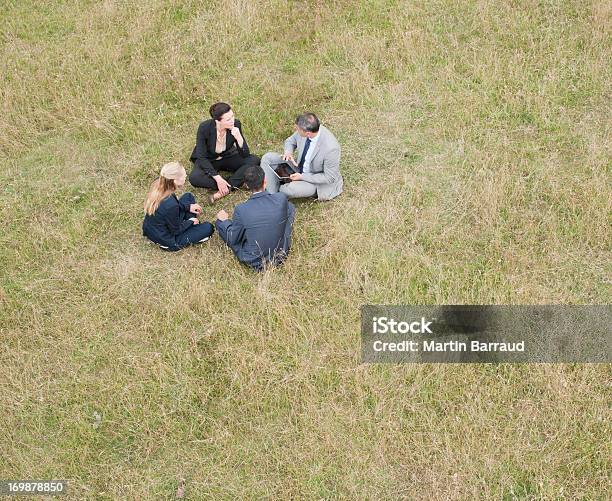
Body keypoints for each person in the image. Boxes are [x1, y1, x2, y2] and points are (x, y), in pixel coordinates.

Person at [215, 165, 295, 271]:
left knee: (220, 223)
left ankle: (223, 222)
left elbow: (233, 238)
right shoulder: (280, 198)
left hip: (254, 260)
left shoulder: (241, 209)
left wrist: (224, 222)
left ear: (246, 185)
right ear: (265, 181)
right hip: (280, 254)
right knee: (289, 207)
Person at [261, 112, 343, 201]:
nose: (296, 130)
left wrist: (302, 177)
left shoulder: (331, 148)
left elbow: (329, 177)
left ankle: (274, 188)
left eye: (297, 129)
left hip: (314, 181)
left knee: (289, 189)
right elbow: (290, 141)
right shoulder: (308, 129)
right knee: (267, 158)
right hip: (298, 167)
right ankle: (272, 197)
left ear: (307, 133)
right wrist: (288, 152)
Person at [189, 102, 260, 201]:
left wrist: (239, 138)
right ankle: (234, 183)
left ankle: (226, 188)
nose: (232, 121)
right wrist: (218, 178)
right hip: (209, 159)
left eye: (232, 116)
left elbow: (245, 154)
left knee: (254, 160)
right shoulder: (204, 128)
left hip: (227, 156)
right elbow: (201, 157)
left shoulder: (236, 124)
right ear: (218, 121)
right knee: (194, 178)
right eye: (228, 119)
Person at [143, 162, 214, 251]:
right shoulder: (170, 205)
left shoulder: (160, 184)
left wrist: (188, 207)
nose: (186, 176)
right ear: (175, 181)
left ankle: (191, 226)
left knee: (188, 196)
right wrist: (190, 222)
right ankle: (192, 229)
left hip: (154, 229)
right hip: (167, 239)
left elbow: (174, 205)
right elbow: (175, 230)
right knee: (208, 227)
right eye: (184, 175)